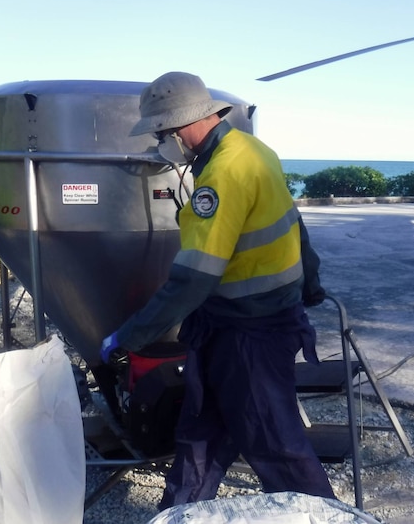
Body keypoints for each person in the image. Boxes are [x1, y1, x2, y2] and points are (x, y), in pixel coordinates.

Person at [99, 71, 335, 510]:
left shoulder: (222, 173)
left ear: (182, 124)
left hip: (252, 335)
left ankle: (322, 518)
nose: (159, 141)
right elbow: (293, 222)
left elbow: (194, 277)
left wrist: (127, 337)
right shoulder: (254, 150)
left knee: (275, 446)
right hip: (226, 328)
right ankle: (177, 516)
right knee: (200, 437)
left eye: (160, 131)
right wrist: (312, 279)